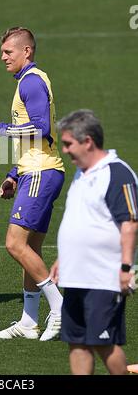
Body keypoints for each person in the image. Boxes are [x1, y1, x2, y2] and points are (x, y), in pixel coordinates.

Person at [0, 27, 65, 341]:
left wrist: (1, 129)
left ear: (26, 51)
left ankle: (58, 307)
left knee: (14, 244)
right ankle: (29, 321)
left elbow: (42, 128)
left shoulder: (31, 81)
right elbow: (32, 140)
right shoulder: (28, 82)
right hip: (38, 171)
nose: (3, 57)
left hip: (41, 173)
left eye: (8, 52)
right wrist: (13, 175)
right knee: (31, 248)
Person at [50, 109, 138, 375]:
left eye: (68, 144)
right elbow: (81, 221)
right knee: (76, 342)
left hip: (104, 275)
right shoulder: (82, 173)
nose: (65, 150)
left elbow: (130, 222)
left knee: (103, 343)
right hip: (76, 274)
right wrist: (63, 258)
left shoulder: (116, 173)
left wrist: (125, 268)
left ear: (87, 141)